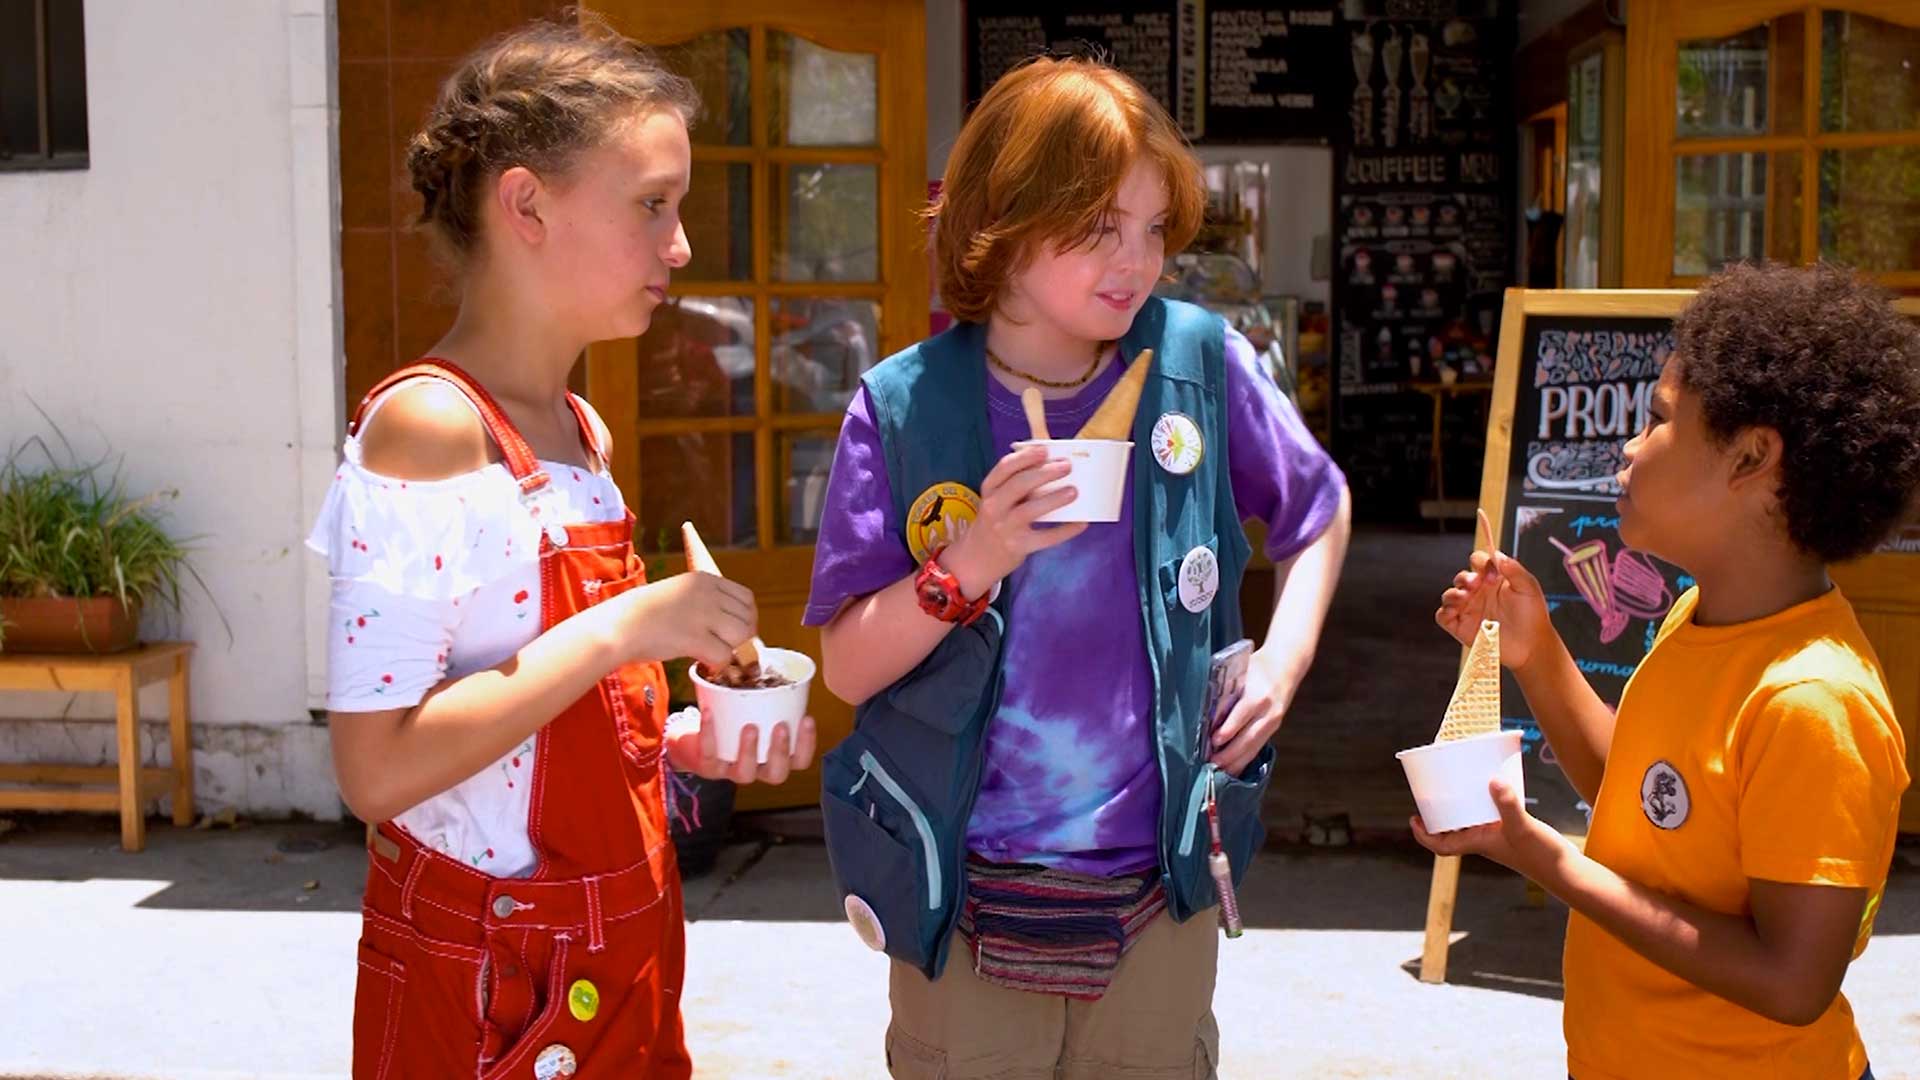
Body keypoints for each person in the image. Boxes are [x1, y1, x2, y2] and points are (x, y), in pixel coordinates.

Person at [807, 57, 1351, 1079]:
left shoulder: (1197, 363)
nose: (1136, 260)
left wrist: (1282, 661)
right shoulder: (905, 406)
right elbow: (846, 670)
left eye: (1153, 229)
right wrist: (975, 559)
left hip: (1159, 897)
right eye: (1101, 224)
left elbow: (1318, 511)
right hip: (959, 902)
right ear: (1004, 218)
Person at [307, 18, 813, 1078]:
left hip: (613, 954)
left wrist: (682, 749)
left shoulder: (581, 432)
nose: (678, 245)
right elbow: (379, 768)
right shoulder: (428, 427)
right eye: (650, 205)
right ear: (527, 203)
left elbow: (537, 736)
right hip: (493, 988)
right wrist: (635, 621)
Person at [1422, 262, 1920, 1079]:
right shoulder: (1699, 614)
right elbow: (1643, 798)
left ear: (1751, 458)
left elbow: (1792, 981)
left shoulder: (1815, 703)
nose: (1628, 445)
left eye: (1656, 421)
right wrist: (1536, 649)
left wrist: (1546, 860)